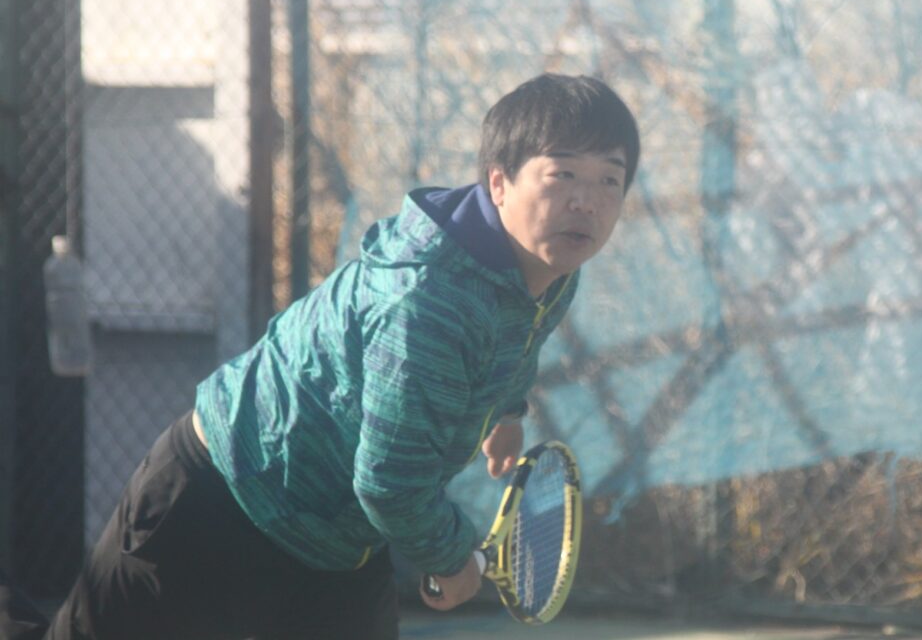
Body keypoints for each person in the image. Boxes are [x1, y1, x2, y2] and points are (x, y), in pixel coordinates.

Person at [0, 72, 641, 639]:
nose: (586, 201)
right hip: (222, 498)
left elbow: (520, 334)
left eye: (609, 180)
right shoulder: (426, 307)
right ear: (499, 183)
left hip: (335, 542)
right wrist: (451, 557)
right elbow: (390, 484)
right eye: (563, 175)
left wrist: (506, 409)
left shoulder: (550, 268)